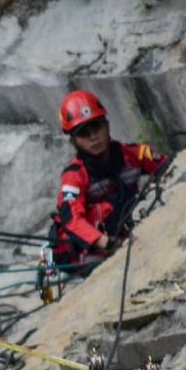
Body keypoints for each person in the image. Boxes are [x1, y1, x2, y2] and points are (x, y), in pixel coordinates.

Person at [49, 90, 168, 267]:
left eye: (96, 126)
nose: (93, 137)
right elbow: (72, 219)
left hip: (126, 230)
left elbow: (170, 166)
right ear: (73, 141)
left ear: (107, 125)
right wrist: (104, 242)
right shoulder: (73, 177)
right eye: (84, 133)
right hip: (92, 249)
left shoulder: (135, 154)